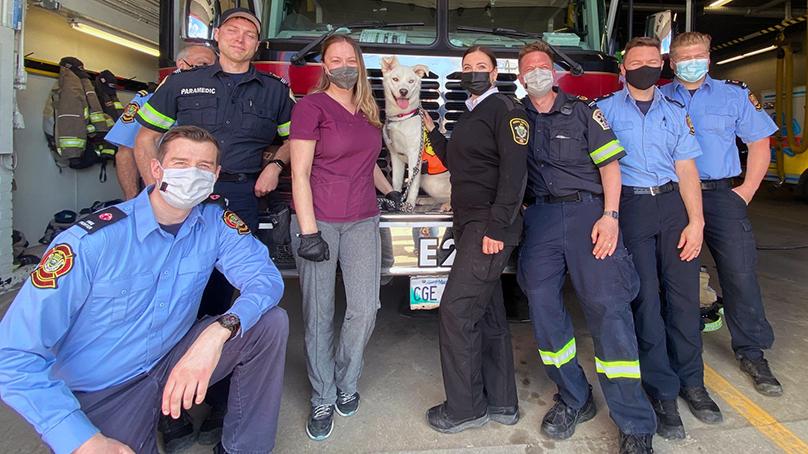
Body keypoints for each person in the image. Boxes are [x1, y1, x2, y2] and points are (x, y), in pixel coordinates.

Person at [0, 126, 288, 454]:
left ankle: (243, 449)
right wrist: (80, 439)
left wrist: (220, 331)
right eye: (180, 163)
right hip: (108, 389)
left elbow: (265, 278)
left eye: (204, 167)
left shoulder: (215, 222)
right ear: (156, 169)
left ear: (216, 175)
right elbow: (13, 354)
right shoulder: (91, 242)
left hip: (171, 361)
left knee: (268, 323)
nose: (192, 173)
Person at [134, 8, 294, 442]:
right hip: (180, 200)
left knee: (233, 296)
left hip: (239, 197)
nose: (241, 39)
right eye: (233, 31)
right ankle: (172, 410)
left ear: (257, 44)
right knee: (168, 297)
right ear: (218, 35)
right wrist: (158, 190)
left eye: (250, 34)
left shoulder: (274, 91)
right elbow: (146, 134)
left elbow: (294, 137)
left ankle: (224, 405)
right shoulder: (182, 83)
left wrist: (276, 166)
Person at [515, 41, 657, 453]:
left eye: (543, 66)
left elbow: (610, 166)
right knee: (541, 304)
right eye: (529, 68)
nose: (537, 72)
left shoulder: (581, 111)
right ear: (521, 76)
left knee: (608, 308)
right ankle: (575, 397)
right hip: (540, 219)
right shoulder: (516, 119)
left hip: (588, 215)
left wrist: (610, 217)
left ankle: (634, 421)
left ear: (554, 71)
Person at [596, 36, 721, 440]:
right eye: (637, 61)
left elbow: (687, 170)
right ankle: (663, 392)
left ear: (661, 67)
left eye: (653, 61)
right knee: (646, 302)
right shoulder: (603, 112)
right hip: (631, 209)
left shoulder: (675, 110)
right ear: (623, 69)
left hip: (673, 209)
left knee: (684, 300)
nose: (645, 67)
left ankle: (693, 383)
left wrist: (696, 221)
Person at [660, 31, 782, 397]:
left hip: (721, 193)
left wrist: (745, 191)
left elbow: (760, 144)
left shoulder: (735, 94)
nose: (691, 61)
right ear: (672, 62)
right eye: (683, 56)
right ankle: (675, 349)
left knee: (739, 273)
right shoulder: (660, 96)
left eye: (698, 55)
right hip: (674, 198)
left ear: (709, 58)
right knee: (673, 276)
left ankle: (752, 351)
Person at [419, 46, 525, 434]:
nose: (473, 72)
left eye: (481, 67)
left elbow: (515, 173)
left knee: (456, 311)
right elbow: (456, 161)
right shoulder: (471, 112)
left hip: (488, 226)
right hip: (469, 223)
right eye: (467, 67)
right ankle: (502, 403)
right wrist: (433, 130)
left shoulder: (505, 110)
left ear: (495, 73)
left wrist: (498, 227)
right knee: (488, 312)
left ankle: (464, 408)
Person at [289, 35, 384, 441]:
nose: (344, 66)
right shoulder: (310, 107)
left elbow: (368, 165)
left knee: (365, 308)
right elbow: (299, 172)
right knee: (319, 313)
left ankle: (347, 380)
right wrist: (309, 231)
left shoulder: (367, 109)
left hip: (363, 219)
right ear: (325, 66)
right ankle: (323, 395)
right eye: (335, 60)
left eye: (351, 59)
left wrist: (392, 189)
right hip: (320, 220)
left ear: (359, 65)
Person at [105, 44, 217, 200]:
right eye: (203, 65)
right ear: (182, 65)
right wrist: (136, 200)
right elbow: (125, 153)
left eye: (213, 67)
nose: (208, 72)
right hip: (162, 192)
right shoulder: (149, 100)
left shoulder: (218, 103)